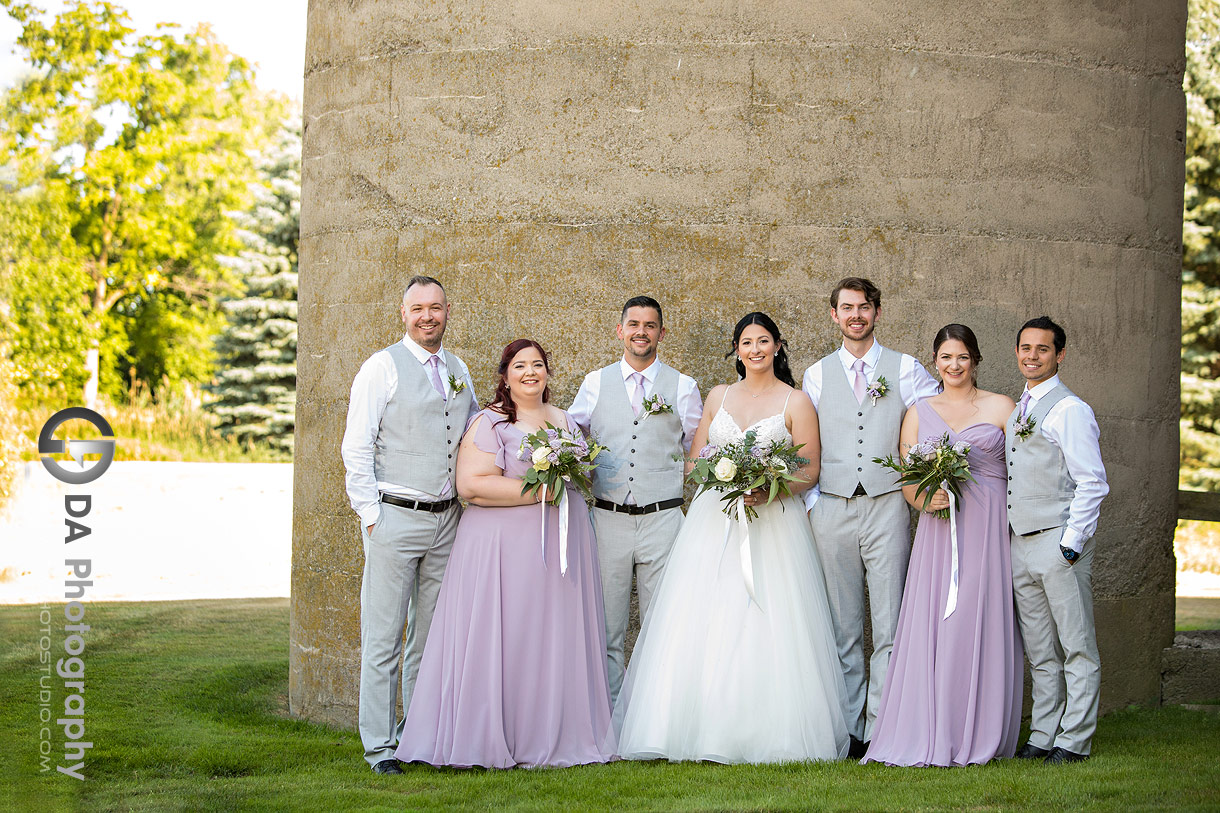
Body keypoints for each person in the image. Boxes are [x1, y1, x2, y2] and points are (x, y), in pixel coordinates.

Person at [615, 313, 849, 764]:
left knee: (769, 619)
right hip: (714, 520)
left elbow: (810, 469)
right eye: (746, 342)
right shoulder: (718, 395)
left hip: (774, 524)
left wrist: (770, 486)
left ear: (778, 346)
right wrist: (721, 476)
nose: (755, 349)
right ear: (736, 349)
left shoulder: (796, 401)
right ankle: (690, 727)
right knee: (702, 618)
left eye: (764, 341)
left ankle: (766, 732)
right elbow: (696, 458)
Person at [396, 339, 617, 768]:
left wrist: (569, 479)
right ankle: (493, 733)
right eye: (520, 366)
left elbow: (579, 479)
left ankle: (552, 730)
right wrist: (539, 490)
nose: (530, 372)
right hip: (503, 550)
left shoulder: (565, 421)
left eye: (538, 365)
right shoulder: (491, 422)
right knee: (506, 637)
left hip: (560, 549)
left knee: (549, 638)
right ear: (505, 376)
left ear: (548, 373)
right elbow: (472, 486)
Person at [862, 324, 1022, 766]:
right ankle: (932, 728)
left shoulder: (1002, 407)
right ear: (935, 361)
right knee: (940, 626)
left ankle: (978, 731)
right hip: (939, 531)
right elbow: (908, 482)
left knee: (978, 621)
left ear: (975, 361)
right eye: (946, 358)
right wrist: (924, 498)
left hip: (987, 530)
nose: (954, 366)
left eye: (963, 358)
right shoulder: (918, 411)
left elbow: (1025, 469)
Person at [340, 276, 478, 774]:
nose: (428, 317)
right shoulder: (382, 367)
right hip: (395, 517)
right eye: (418, 308)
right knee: (383, 639)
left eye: (436, 308)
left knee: (430, 637)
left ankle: (417, 738)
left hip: (447, 522)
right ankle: (379, 747)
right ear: (403, 313)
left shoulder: (458, 368)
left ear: (447, 311)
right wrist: (373, 517)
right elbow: (356, 446)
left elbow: (474, 432)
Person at [802, 277, 939, 757]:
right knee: (842, 626)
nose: (856, 315)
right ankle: (849, 730)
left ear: (877, 313)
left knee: (888, 622)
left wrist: (923, 481)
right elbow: (804, 442)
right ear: (833, 316)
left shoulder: (906, 369)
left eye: (864, 307)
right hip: (832, 507)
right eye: (846, 308)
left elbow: (937, 418)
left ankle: (882, 727)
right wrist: (815, 500)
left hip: (886, 507)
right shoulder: (816, 375)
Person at [569, 296, 703, 704]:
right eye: (633, 324)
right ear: (620, 330)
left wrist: (663, 481)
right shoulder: (595, 382)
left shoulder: (683, 386)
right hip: (608, 519)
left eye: (650, 325)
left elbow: (695, 453)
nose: (641, 332)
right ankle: (609, 714)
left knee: (661, 624)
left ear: (662, 333)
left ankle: (653, 714)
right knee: (606, 625)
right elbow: (573, 441)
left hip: (663, 519)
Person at [1007, 317, 1108, 764]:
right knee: (1041, 650)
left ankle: (1074, 740)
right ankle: (1043, 734)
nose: (1032, 356)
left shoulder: (1070, 410)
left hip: (1057, 543)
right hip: (1020, 544)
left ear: (1059, 355)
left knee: (1076, 646)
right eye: (1025, 348)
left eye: (1042, 349)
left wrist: (1070, 543)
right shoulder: (1020, 407)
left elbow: (1092, 482)